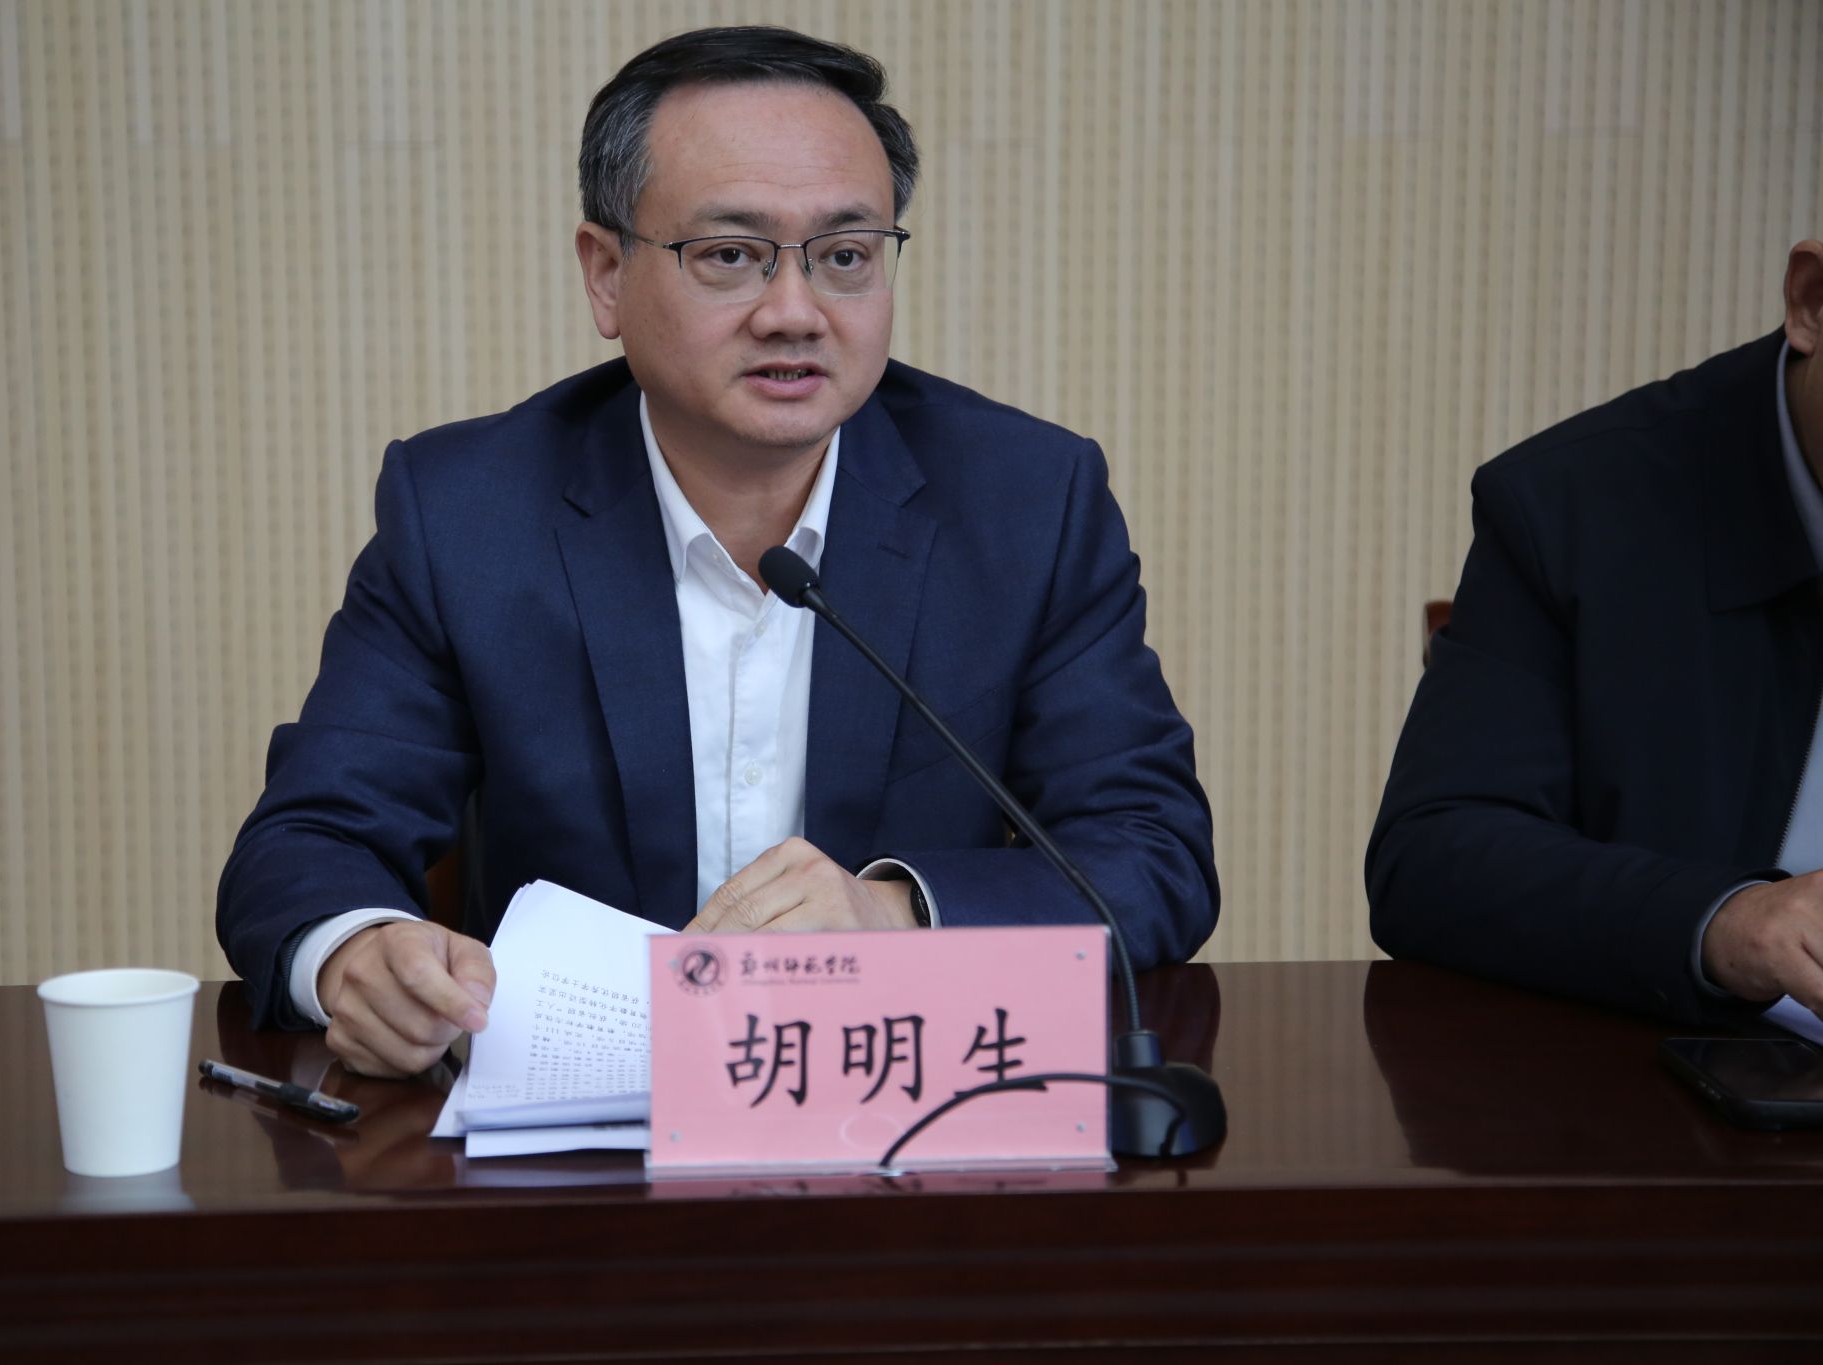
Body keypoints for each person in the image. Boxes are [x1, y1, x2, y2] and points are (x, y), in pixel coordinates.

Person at [218, 26, 1217, 1078]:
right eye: (731, 255)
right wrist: (358, 954)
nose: (793, 313)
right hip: (580, 1136)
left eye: (844, 256)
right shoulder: (469, 513)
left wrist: (896, 914)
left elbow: (1149, 851)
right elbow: (307, 842)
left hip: (903, 1108)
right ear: (606, 274)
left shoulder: (1023, 503)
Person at [1367, 239, 1823, 1028]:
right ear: (1812, 300)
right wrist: (1723, 920)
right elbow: (1434, 858)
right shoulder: (1572, 504)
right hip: (1694, 1074)